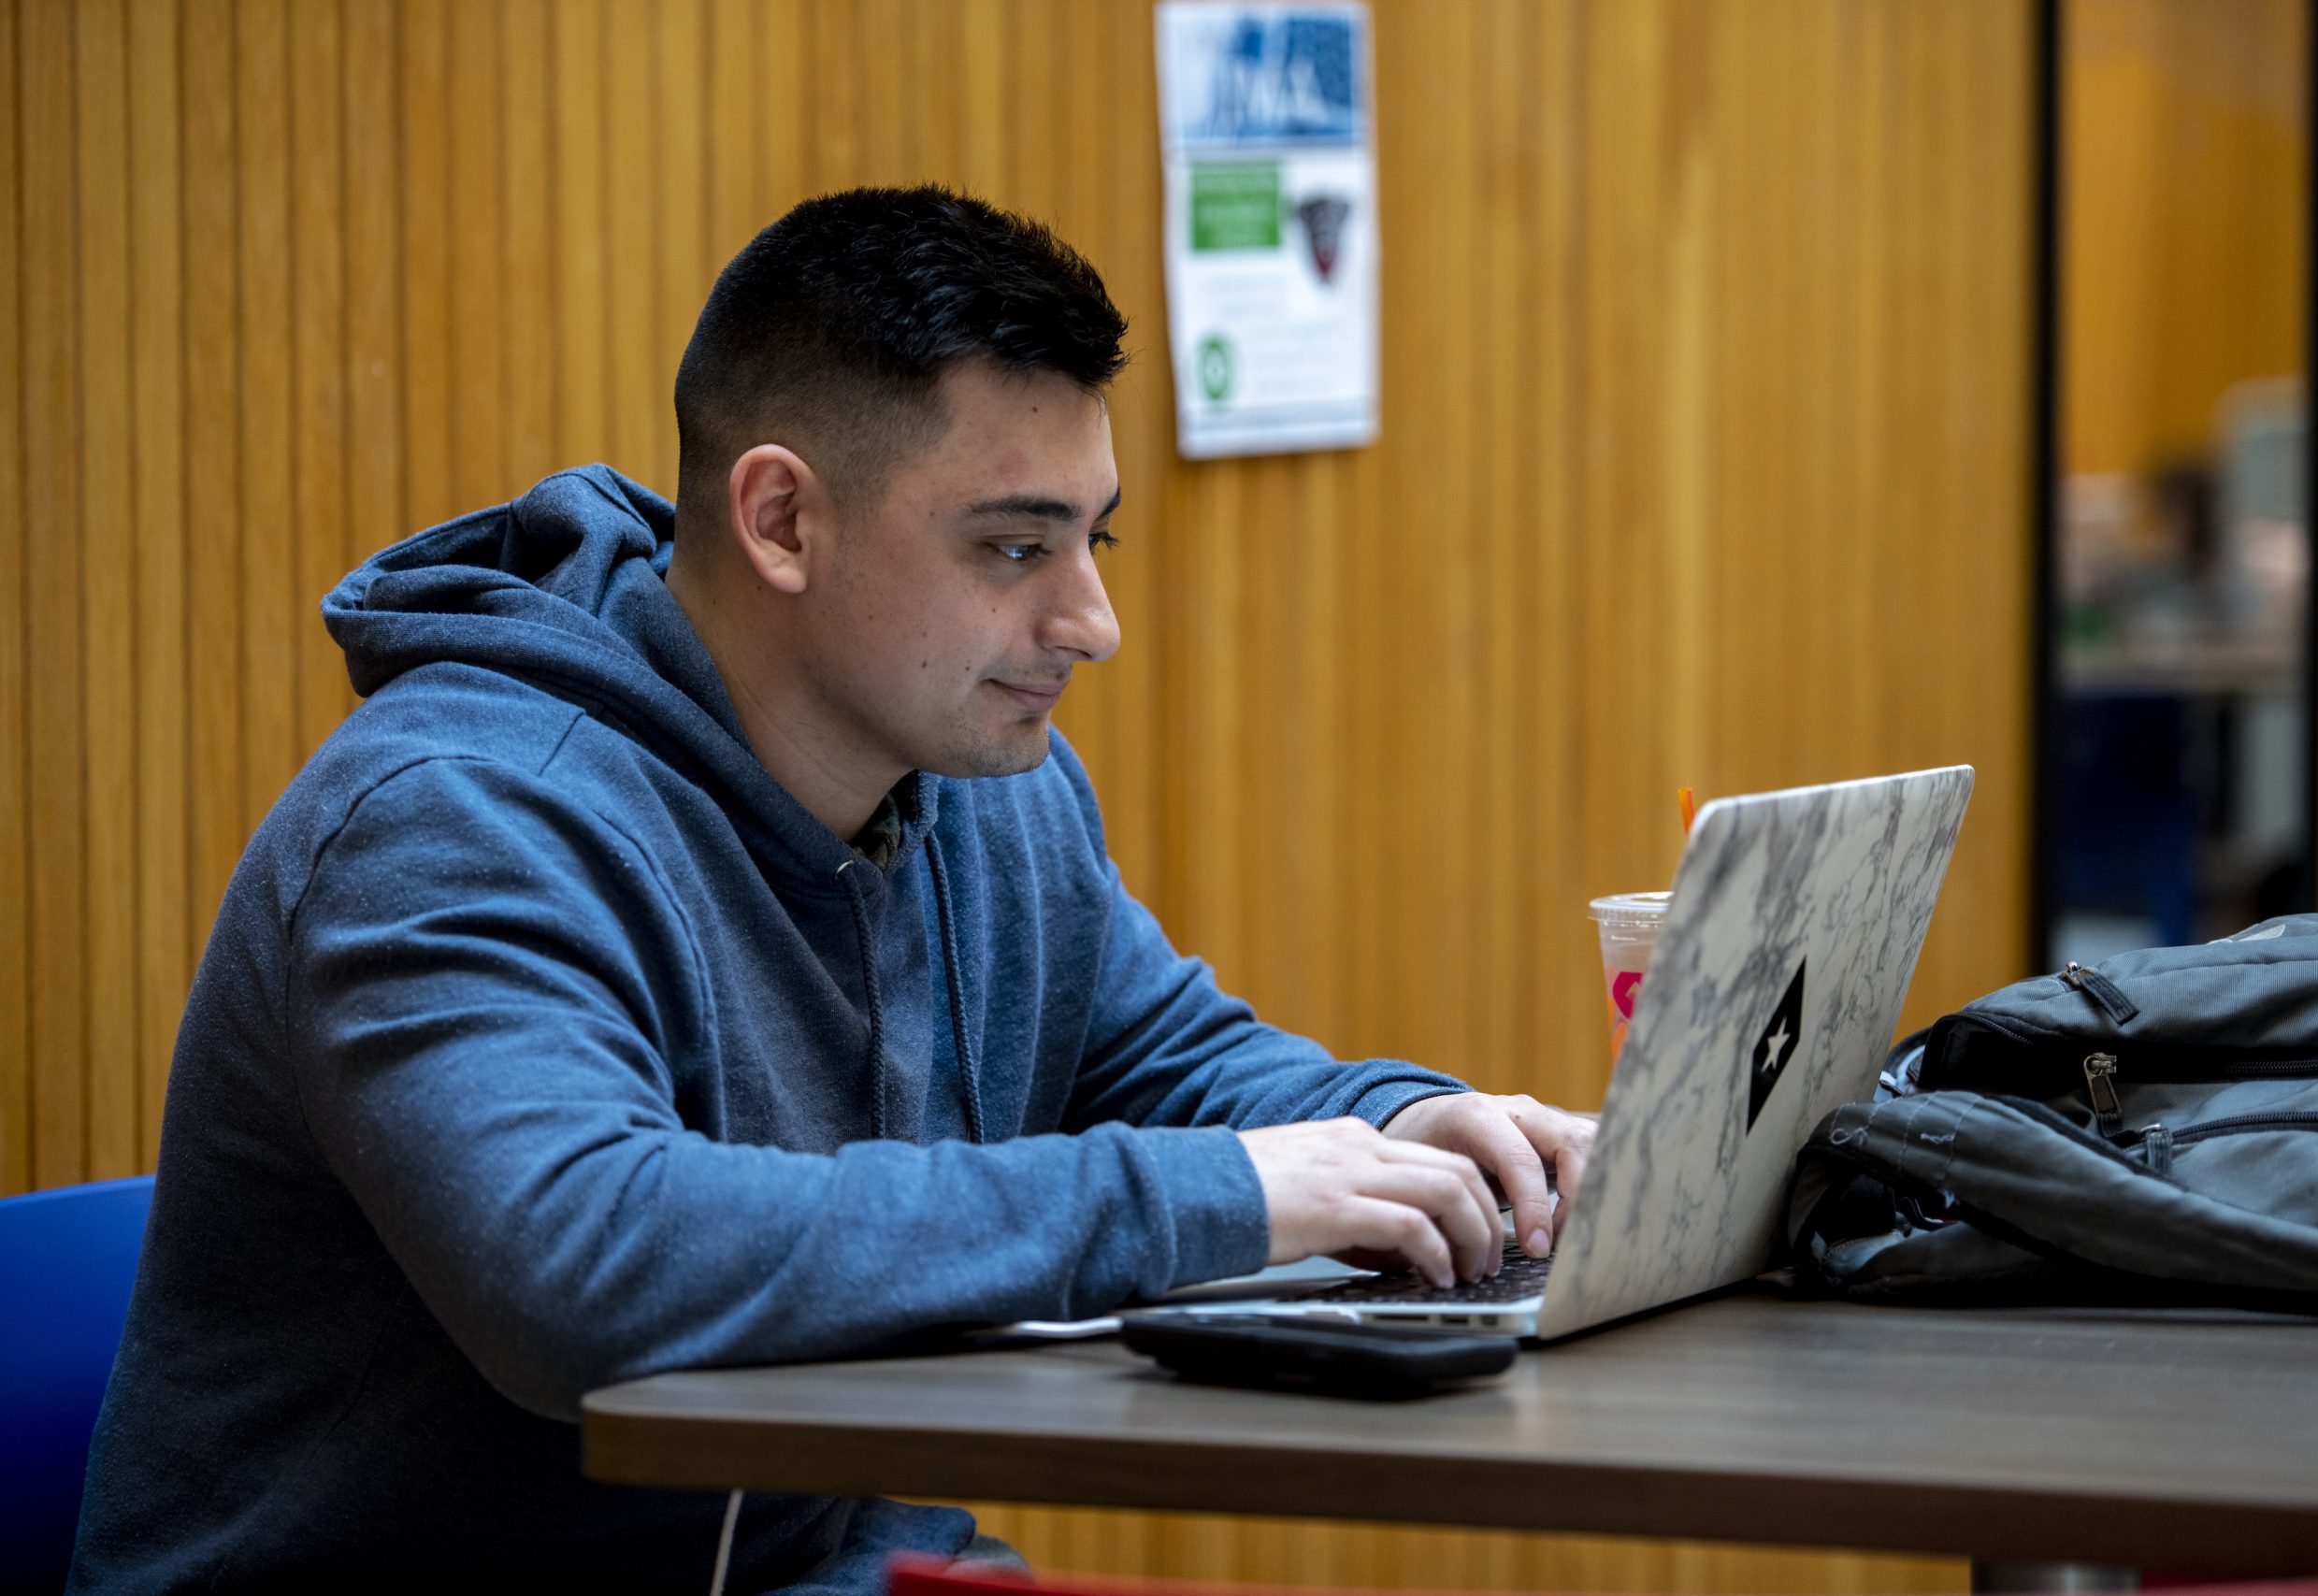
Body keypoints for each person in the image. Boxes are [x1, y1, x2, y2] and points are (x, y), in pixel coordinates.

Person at [70, 186, 1594, 1595]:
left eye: (1094, 538)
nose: (1092, 621)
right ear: (782, 521)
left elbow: (1167, 1062)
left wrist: (1404, 1127)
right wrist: (1219, 1197)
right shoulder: (451, 822)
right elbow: (584, 1264)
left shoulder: (986, 786)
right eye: (1015, 546)